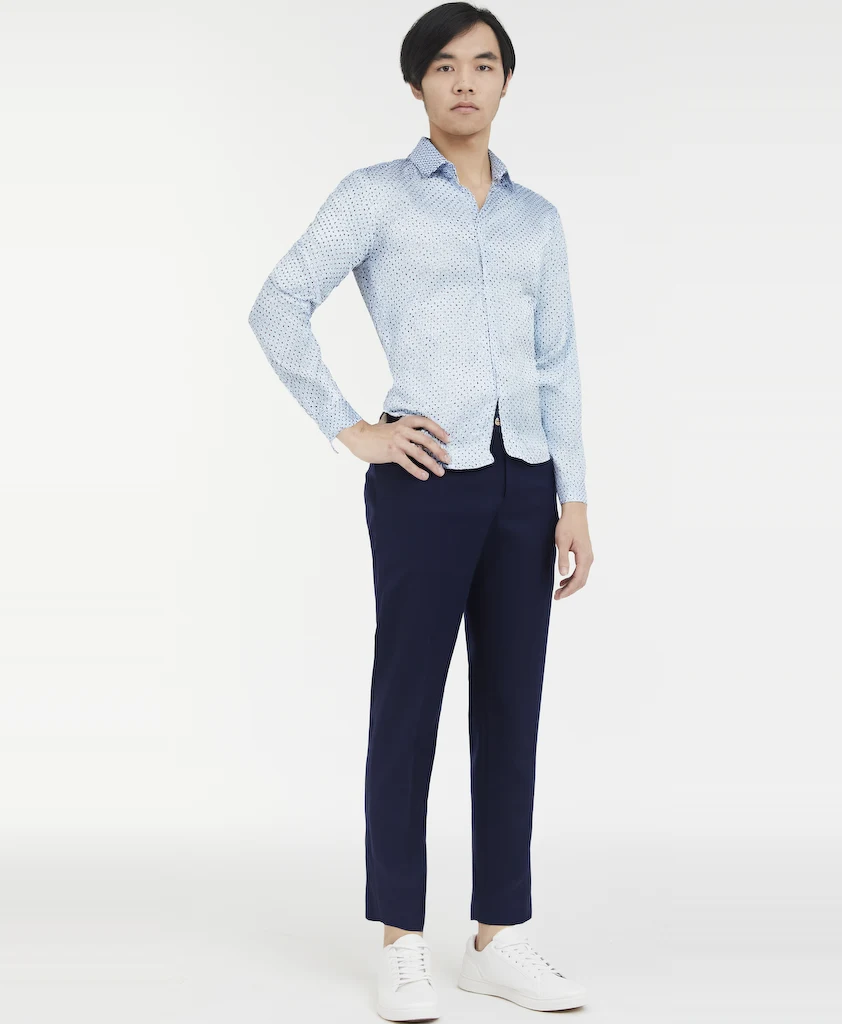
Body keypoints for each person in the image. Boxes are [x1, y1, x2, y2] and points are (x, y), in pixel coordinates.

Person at [247, 3, 593, 1019]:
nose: (464, 81)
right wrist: (352, 426)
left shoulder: (537, 220)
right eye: (443, 66)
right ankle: (401, 942)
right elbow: (277, 303)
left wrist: (573, 496)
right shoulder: (376, 197)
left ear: (505, 81)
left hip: (525, 483)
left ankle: (497, 936)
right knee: (407, 706)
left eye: (483, 65)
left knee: (511, 709)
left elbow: (559, 362)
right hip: (425, 478)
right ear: (416, 85)